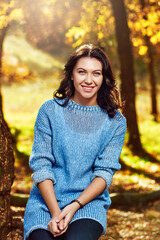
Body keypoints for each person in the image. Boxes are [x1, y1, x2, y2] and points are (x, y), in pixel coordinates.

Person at [23, 44, 126, 240]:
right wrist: (55, 212)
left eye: (96, 73)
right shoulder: (49, 111)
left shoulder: (116, 122)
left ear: (103, 78)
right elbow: (41, 165)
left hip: (88, 204)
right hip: (46, 202)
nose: (89, 80)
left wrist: (74, 206)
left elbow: (104, 173)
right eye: (82, 72)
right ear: (71, 74)